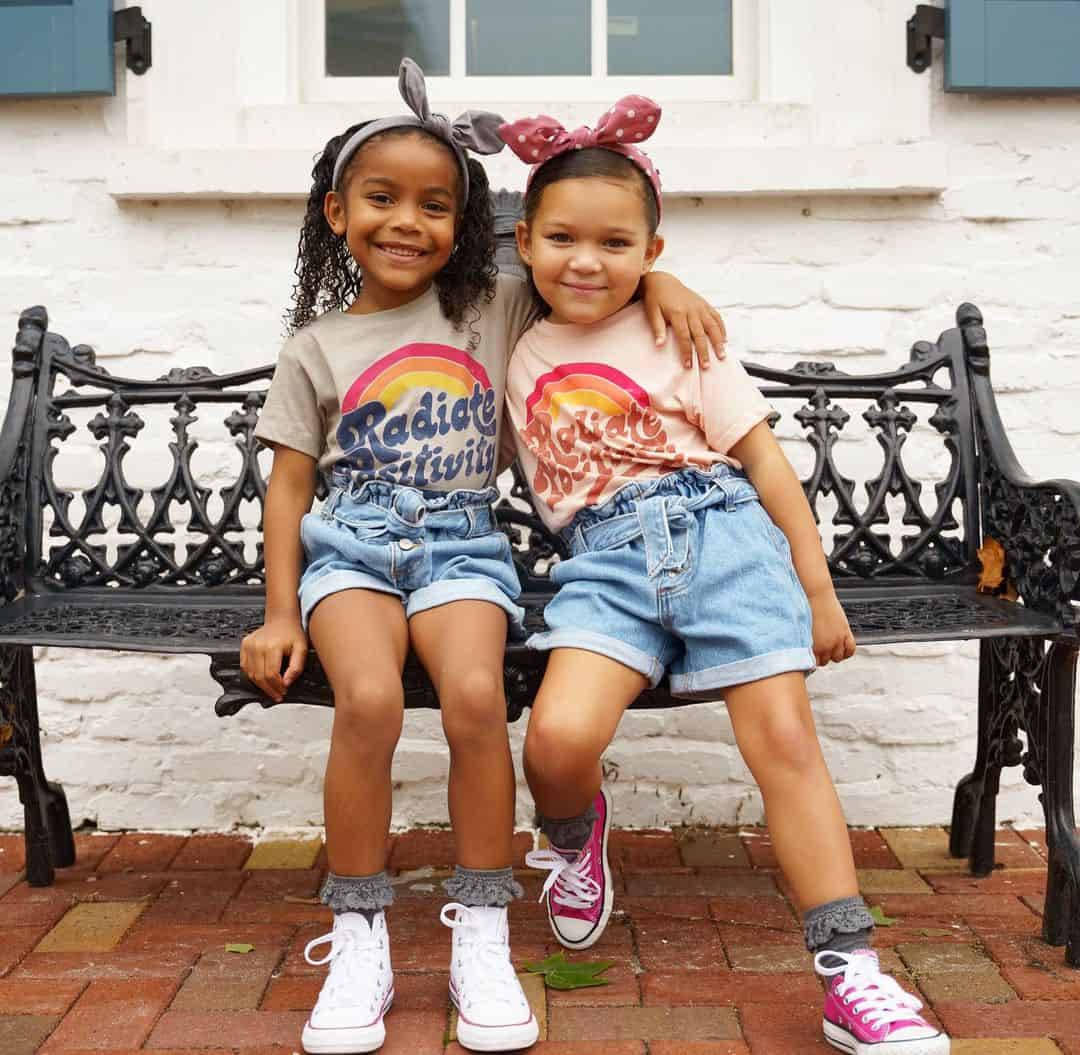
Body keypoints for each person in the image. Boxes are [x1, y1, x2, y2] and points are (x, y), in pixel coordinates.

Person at [241, 60, 729, 1055]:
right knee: (369, 700)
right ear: (338, 211)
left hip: (463, 538)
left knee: (472, 696)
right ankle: (361, 927)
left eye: (434, 204)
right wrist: (279, 610)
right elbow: (290, 486)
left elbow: (587, 272)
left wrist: (665, 273)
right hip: (352, 546)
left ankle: (483, 930)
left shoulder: (493, 306)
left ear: (463, 224)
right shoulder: (316, 345)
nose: (407, 222)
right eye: (382, 199)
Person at [499, 97, 951, 1055]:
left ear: (652, 253)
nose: (588, 260)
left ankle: (852, 974)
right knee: (555, 744)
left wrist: (815, 584)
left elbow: (765, 461)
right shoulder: (511, 340)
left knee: (786, 736)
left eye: (617, 244)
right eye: (563, 239)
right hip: (606, 560)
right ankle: (576, 836)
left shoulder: (684, 338)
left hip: (725, 535)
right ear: (524, 242)